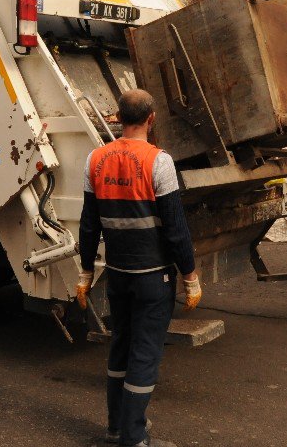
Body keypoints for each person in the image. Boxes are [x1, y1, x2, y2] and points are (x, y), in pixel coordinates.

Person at [76, 89, 200, 447]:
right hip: (153, 277)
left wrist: (86, 273)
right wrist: (190, 277)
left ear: (117, 118)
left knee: (121, 346)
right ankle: (134, 437)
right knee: (144, 354)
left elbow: (88, 225)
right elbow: (176, 229)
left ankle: (115, 427)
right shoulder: (158, 162)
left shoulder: (94, 160)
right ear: (151, 119)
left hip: (117, 275)